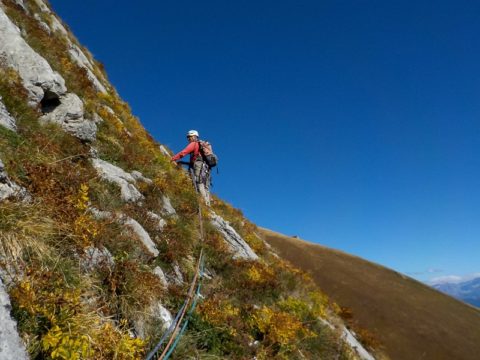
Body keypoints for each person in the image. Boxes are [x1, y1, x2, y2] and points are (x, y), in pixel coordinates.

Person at [171, 130, 211, 206]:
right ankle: (207, 204)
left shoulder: (194, 144)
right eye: (188, 137)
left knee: (198, 181)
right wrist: (183, 163)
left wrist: (173, 159)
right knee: (205, 184)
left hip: (198, 165)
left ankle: (203, 203)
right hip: (206, 168)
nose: (188, 139)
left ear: (195, 137)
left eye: (190, 137)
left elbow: (183, 153)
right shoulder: (200, 145)